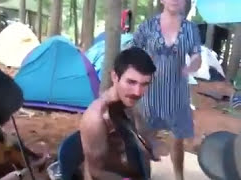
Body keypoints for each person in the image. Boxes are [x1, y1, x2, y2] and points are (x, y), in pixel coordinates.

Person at [131, 0, 202, 180]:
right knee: (145, 139)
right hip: (149, 91)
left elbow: (197, 56)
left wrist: (192, 65)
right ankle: (143, 174)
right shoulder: (146, 26)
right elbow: (133, 53)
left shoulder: (190, 28)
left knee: (177, 141)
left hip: (177, 93)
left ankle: (179, 177)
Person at [80, 47, 156, 180]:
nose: (137, 92)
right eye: (131, 82)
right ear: (115, 77)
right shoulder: (96, 118)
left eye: (144, 84)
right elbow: (95, 172)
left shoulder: (129, 102)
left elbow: (142, 145)